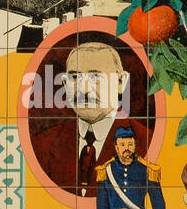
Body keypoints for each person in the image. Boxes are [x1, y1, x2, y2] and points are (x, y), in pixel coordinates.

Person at [30, 40, 152, 197]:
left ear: (121, 82)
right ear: (65, 84)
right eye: (75, 77)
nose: (84, 89)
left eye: (96, 76)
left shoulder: (145, 142)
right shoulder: (42, 145)